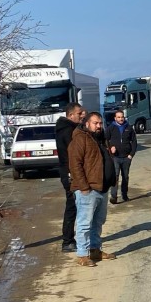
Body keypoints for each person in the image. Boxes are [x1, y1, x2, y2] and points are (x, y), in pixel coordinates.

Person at [67, 111, 118, 266]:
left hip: (102, 187)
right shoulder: (80, 139)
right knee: (84, 223)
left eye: (100, 123)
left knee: (98, 221)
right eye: (96, 123)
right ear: (87, 123)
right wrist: (83, 187)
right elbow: (75, 165)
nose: (99, 126)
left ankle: (95, 250)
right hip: (88, 189)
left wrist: (112, 179)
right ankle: (82, 255)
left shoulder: (100, 139)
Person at [54, 104, 85, 253]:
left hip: (69, 172)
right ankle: (67, 241)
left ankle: (71, 239)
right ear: (71, 115)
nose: (82, 115)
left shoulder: (68, 128)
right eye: (79, 113)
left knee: (74, 206)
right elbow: (72, 156)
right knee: (72, 206)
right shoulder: (68, 131)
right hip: (70, 174)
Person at [104, 109, 137, 203]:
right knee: (115, 177)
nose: (121, 119)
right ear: (115, 118)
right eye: (118, 117)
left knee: (125, 177)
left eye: (122, 117)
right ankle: (114, 197)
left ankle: (124, 195)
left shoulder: (129, 128)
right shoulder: (111, 128)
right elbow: (105, 140)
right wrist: (110, 148)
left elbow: (134, 141)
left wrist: (131, 154)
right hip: (115, 158)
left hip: (126, 157)